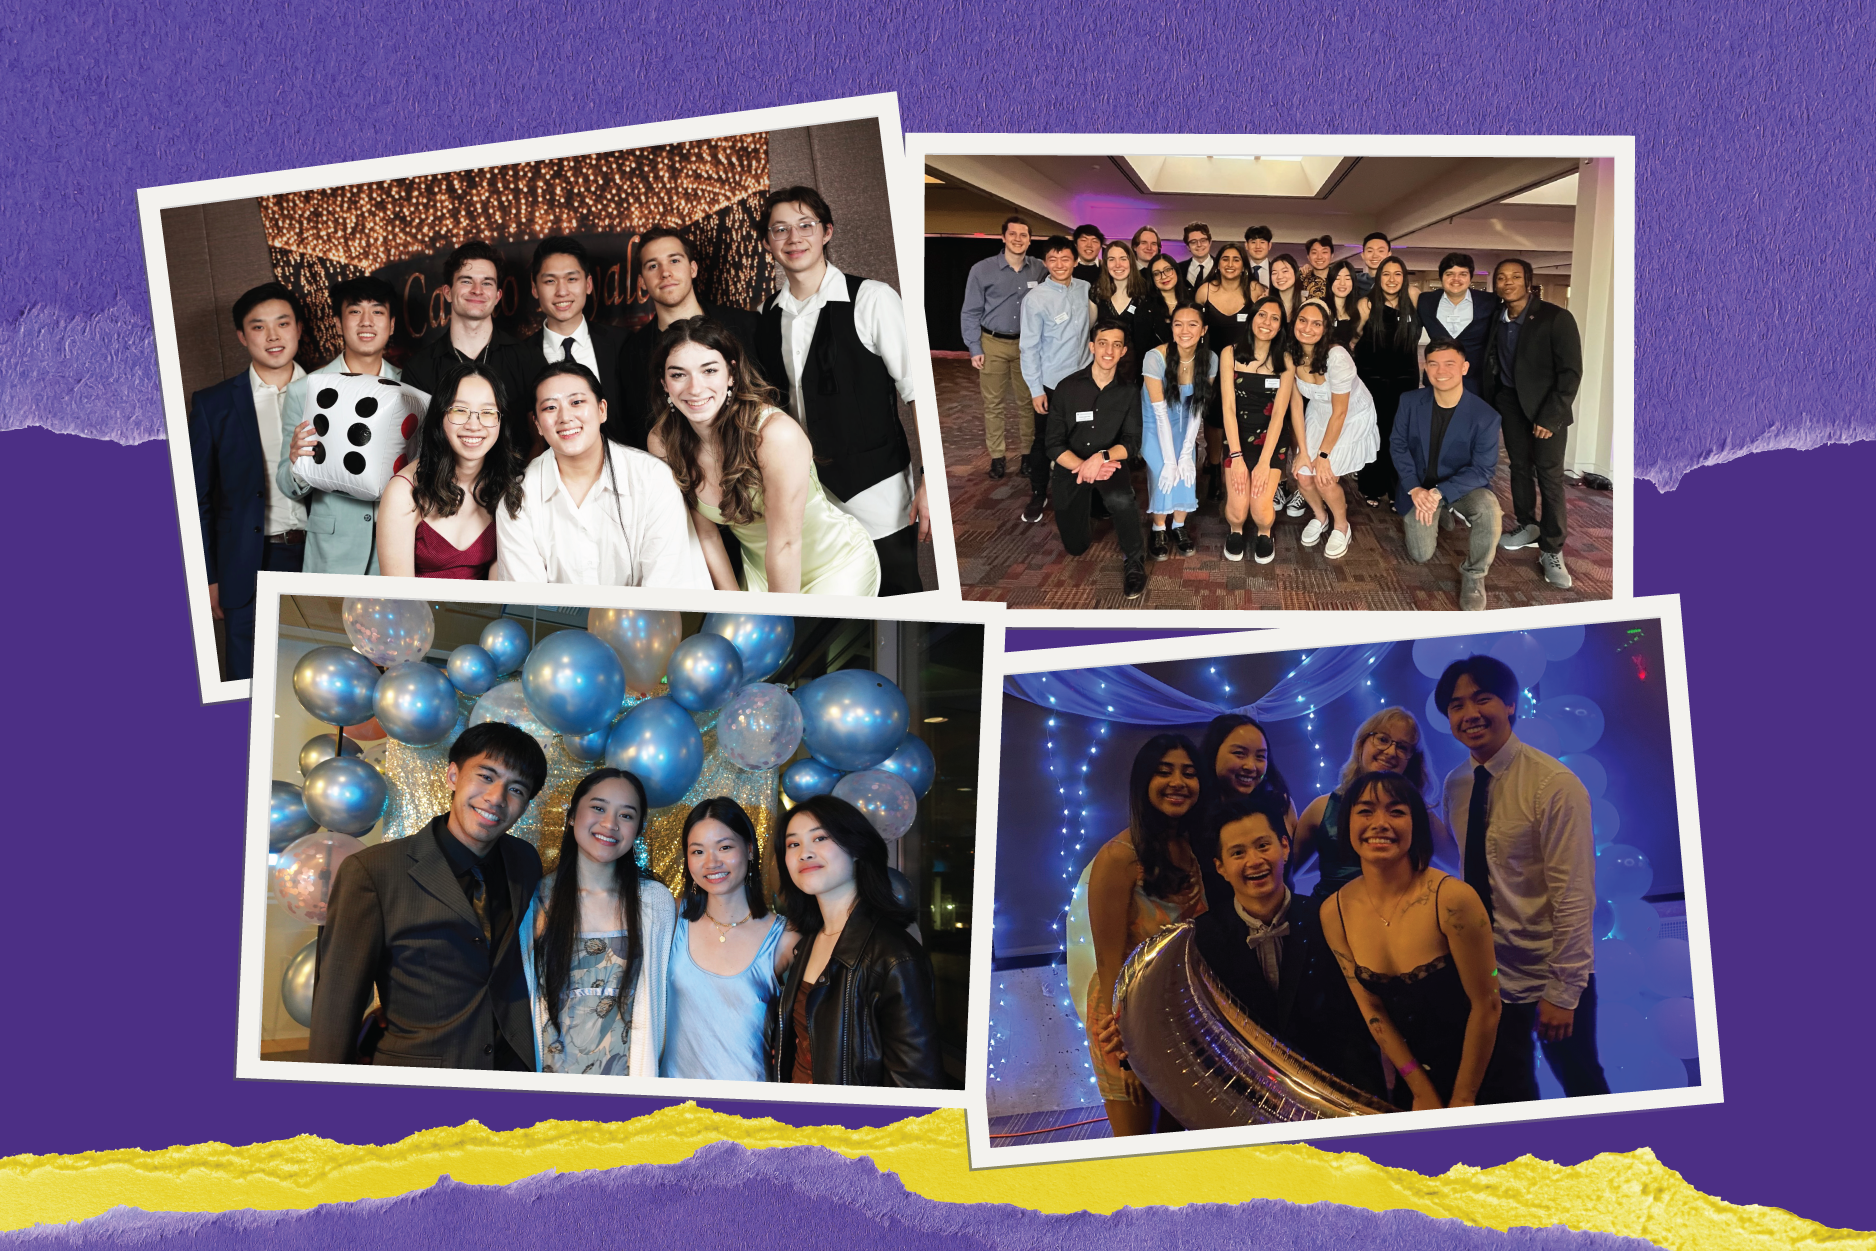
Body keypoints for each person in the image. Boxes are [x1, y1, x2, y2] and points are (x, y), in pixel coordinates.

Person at [309, 722, 548, 1069]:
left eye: (516, 790)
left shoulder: (525, 861)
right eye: (485, 776)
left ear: (525, 805)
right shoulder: (373, 871)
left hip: (517, 1067)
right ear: (453, 775)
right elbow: (337, 1004)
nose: (496, 798)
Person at [1437, 655, 1605, 1101]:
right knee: (1508, 1093)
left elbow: (1575, 895)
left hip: (1546, 973)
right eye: (1456, 705)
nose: (1469, 714)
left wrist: (1563, 992)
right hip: (1490, 976)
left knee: (1582, 1085)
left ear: (1510, 705)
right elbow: (1464, 863)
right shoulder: (1457, 785)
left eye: (1482, 699)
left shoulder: (1554, 785)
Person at [753, 186, 928, 595]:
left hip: (877, 488)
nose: (794, 239)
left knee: (897, 596)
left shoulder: (873, 299)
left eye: (805, 226)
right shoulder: (765, 316)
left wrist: (930, 481)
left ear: (827, 232)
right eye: (780, 230)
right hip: (807, 495)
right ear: (767, 242)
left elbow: (918, 391)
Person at [1320, 772, 1514, 1109]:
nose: (1379, 823)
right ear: (1346, 822)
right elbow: (1372, 1008)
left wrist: (1463, 1098)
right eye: (1365, 811)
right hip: (1413, 1081)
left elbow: (1488, 1004)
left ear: (1416, 825)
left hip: (1480, 1073)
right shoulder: (1333, 912)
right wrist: (1419, 1088)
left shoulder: (1453, 898)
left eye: (1396, 811)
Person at [649, 317, 880, 595]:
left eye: (709, 370)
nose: (695, 388)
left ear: (731, 373)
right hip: (762, 572)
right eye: (678, 375)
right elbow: (706, 534)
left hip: (834, 566)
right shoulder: (663, 441)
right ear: (664, 383)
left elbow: (786, 544)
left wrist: (780, 615)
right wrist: (732, 600)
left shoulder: (775, 435)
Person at [1189, 792, 1385, 1100]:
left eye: (1263, 845)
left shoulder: (1328, 919)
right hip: (1248, 1093)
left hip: (1332, 1086)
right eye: (1238, 853)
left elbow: (1352, 1028)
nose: (1254, 861)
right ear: (1220, 867)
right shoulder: (1201, 938)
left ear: (1284, 847)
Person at [767, 795, 944, 1087]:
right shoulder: (807, 942)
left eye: (820, 838)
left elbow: (915, 1086)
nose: (804, 853)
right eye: (793, 844)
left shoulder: (894, 956)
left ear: (856, 848)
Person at [494, 360, 713, 587]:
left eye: (577, 402)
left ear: (601, 410)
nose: (565, 417)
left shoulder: (652, 479)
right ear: (537, 425)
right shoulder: (518, 498)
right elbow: (527, 602)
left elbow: (667, 588)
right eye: (550, 407)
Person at [1085, 735, 1209, 1135]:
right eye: (1164, 771)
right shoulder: (1119, 857)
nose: (1178, 782)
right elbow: (1108, 964)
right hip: (1126, 1018)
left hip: (1182, 1015)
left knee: (1179, 1139)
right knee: (1135, 1148)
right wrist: (1127, 1052)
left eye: (1189, 773)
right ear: (1143, 781)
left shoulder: (1195, 847)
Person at [519, 767, 676, 1076]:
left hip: (629, 1094)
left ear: (639, 828)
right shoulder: (532, 898)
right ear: (572, 815)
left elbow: (663, 1005)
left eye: (626, 816)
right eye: (599, 808)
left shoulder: (655, 902)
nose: (610, 824)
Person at [188, 282, 308, 680]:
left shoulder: (332, 391)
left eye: (282, 323)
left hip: (321, 556)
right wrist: (207, 577)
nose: (273, 336)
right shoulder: (213, 404)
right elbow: (196, 499)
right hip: (248, 563)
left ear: (298, 329)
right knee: (248, 679)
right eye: (258, 327)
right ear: (242, 336)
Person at [664, 798, 800, 1082]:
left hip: (750, 1109)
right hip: (672, 1109)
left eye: (725, 847)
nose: (712, 862)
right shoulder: (670, 917)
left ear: (749, 849)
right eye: (698, 851)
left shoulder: (785, 937)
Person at [276, 276, 404, 577]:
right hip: (332, 556)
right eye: (355, 311)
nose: (366, 321)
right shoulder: (304, 390)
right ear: (337, 322)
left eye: (377, 311)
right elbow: (286, 484)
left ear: (392, 324)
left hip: (398, 550)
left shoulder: (412, 387)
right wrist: (297, 462)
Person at [613, 227, 765, 451]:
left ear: (692, 268)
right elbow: (639, 429)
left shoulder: (748, 326)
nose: (665, 272)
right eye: (653, 266)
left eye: (674, 260)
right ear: (642, 282)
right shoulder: (633, 352)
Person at [1484, 258, 1583, 590]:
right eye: (1501, 277)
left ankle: (1552, 548)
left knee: (1550, 476)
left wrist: (1551, 416)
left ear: (1529, 281)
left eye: (1515, 277)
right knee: (1518, 468)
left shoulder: (1556, 318)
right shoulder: (1497, 319)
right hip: (1510, 403)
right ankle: (1526, 523)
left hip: (1546, 409)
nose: (1507, 282)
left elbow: (1570, 373)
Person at [377, 363, 525, 579]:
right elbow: (398, 599)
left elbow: (497, 590)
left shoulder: (506, 485)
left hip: (480, 612)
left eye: (487, 412)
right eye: (459, 410)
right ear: (440, 416)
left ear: (500, 420)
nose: (474, 425)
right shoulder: (403, 491)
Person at [1294, 707, 1458, 900]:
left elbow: (1459, 863)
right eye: (1382, 739)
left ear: (1411, 760)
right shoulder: (1321, 808)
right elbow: (1283, 873)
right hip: (1325, 922)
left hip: (1396, 924)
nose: (1390, 752)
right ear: (1361, 743)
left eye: (1402, 747)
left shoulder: (1418, 812)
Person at [1392, 341, 1505, 610]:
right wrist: (1415, 489)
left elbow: (1483, 469)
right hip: (1419, 487)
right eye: (1433, 363)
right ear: (1426, 367)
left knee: (1490, 509)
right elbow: (1397, 445)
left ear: (1464, 367)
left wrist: (1440, 492)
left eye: (1449, 363)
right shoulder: (1409, 401)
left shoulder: (1485, 416)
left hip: (1460, 487)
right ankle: (1440, 511)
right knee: (1421, 555)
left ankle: (1475, 576)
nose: (1440, 370)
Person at [1045, 318, 1148, 600]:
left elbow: (1132, 443)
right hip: (1071, 465)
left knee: (1121, 500)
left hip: (1109, 463)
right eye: (1103, 343)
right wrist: (1083, 467)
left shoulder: (1129, 391)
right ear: (1092, 346)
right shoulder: (1066, 388)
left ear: (1123, 351)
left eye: (1116, 345)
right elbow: (1052, 444)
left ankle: (1135, 560)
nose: (1109, 351)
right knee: (1076, 547)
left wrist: (1100, 458)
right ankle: (1091, 501)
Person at [401, 241, 529, 433]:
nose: (477, 290)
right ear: (447, 292)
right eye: (466, 281)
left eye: (487, 283)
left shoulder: (527, 359)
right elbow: (414, 443)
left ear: (497, 296)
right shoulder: (419, 369)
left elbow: (541, 441)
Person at [1289, 299, 1381, 559]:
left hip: (1350, 416)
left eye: (1316, 323)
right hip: (1319, 413)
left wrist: (1324, 456)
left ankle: (1342, 525)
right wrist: (1303, 451)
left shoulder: (1336, 356)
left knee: (1324, 477)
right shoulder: (1290, 353)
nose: (1308, 328)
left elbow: (1340, 411)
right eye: (1302, 320)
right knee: (1302, 475)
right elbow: (1295, 405)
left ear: (1325, 328)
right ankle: (1321, 517)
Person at [959, 215, 1046, 481]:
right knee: (993, 404)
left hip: (1027, 346)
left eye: (1024, 235)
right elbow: (970, 311)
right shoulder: (982, 269)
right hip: (992, 343)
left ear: (1030, 240)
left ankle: (1027, 456)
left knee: (1026, 403)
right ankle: (997, 457)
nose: (1018, 239)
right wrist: (974, 346)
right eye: (1013, 234)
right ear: (1003, 237)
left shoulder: (1040, 269)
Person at [1016, 236, 1093, 525]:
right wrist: (1036, 390)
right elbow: (1029, 348)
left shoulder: (1084, 288)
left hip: (1084, 378)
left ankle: (1081, 489)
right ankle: (1038, 492)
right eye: (1053, 259)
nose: (1059, 265)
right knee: (1044, 441)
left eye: (1065, 259)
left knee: (1083, 436)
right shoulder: (1036, 299)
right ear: (1045, 263)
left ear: (1075, 261)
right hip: (1052, 383)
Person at [517, 237, 628, 428]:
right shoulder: (519, 356)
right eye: (550, 281)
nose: (562, 291)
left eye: (571, 279)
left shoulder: (622, 343)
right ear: (535, 289)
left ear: (588, 284)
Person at [1218, 296, 1295, 564]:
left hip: (1271, 441)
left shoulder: (1285, 359)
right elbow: (1228, 407)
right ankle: (1236, 531)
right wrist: (1237, 457)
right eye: (1262, 315)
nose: (1267, 322)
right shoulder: (1230, 353)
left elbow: (1278, 416)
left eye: (1275, 318)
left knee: (1261, 511)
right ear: (1252, 318)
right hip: (1237, 437)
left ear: (1280, 326)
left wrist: (1264, 463)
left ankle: (1265, 532)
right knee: (1237, 512)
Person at [1194, 713, 1296, 911]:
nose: (1250, 766)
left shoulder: (1280, 804)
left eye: (1260, 757)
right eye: (1239, 754)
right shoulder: (1194, 811)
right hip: (1220, 929)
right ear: (1213, 752)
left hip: (1284, 919)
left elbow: (1292, 865)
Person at [1139, 304, 1215, 559]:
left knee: (1186, 473)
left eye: (1192, 324)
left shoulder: (1209, 359)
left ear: (1203, 330)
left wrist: (1185, 455)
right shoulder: (1155, 357)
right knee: (1163, 471)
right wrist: (1171, 459)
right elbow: (1159, 414)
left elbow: (1197, 411)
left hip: (1186, 425)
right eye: (1178, 324)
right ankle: (1158, 527)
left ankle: (1179, 526)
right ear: (1171, 329)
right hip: (1155, 424)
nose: (1185, 330)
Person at [1354, 256, 1424, 507]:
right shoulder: (1366, 303)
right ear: (1378, 277)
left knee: (1401, 435)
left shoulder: (1414, 300)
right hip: (1371, 378)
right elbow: (1353, 338)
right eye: (1386, 274)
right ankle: (1372, 486)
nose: (1392, 279)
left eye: (1397, 274)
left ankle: (1398, 490)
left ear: (1404, 278)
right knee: (1373, 432)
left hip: (1404, 379)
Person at [1195, 243, 1260, 501]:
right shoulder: (1204, 291)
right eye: (1225, 259)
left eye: (1236, 259)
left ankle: (1238, 466)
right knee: (1213, 419)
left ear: (1244, 264)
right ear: (1218, 263)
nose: (1230, 264)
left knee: (1242, 418)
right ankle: (1213, 466)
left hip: (1245, 367)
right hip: (1212, 366)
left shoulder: (1255, 291)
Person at [1415, 253, 1502, 392]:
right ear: (1441, 277)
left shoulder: (1489, 301)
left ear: (1470, 277)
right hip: (1437, 379)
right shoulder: (1426, 301)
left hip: (1476, 381)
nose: (1456, 279)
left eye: (1463, 274)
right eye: (1449, 273)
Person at [1089, 240, 1147, 361]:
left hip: (1137, 364)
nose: (1117, 264)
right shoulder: (1097, 292)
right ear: (1105, 264)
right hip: (1105, 361)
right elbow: (1088, 329)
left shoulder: (1145, 292)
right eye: (1111, 259)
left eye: (1123, 258)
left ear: (1131, 261)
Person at [1135, 254, 1185, 357]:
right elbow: (1141, 349)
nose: (1164, 276)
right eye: (1157, 274)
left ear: (1176, 270)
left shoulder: (1193, 299)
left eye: (1167, 270)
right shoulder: (1145, 308)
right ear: (1152, 279)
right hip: (1158, 366)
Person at [1324, 260, 1363, 343]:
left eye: (1347, 278)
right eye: (1337, 278)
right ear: (1330, 281)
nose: (1342, 283)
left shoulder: (1359, 308)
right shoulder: (1321, 307)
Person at [1181, 222, 1216, 290]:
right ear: (1188, 247)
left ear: (1210, 242)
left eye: (1203, 240)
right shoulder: (1178, 269)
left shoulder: (1221, 266)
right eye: (1193, 242)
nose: (1199, 245)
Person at [1300, 235, 1336, 300]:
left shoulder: (1338, 279)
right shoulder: (1301, 279)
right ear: (1308, 257)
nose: (1319, 257)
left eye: (1324, 252)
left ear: (1332, 256)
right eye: (1314, 252)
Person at [1241, 225, 1275, 291]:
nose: (1258, 246)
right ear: (1246, 245)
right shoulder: (1240, 271)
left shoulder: (1276, 271)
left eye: (1262, 242)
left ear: (1269, 245)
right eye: (1253, 242)